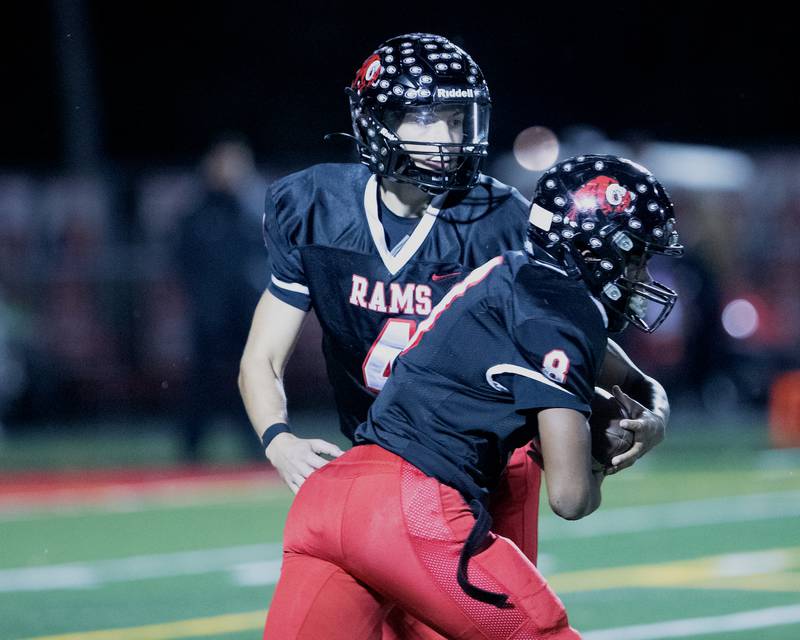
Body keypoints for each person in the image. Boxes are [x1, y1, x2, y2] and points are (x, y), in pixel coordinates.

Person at [239, 33, 669, 637]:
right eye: (427, 120)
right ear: (377, 121)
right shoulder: (315, 206)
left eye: (456, 118)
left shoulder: (500, 217)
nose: (447, 138)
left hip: (481, 466)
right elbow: (261, 357)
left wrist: (647, 396)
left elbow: (562, 338)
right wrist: (277, 438)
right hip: (384, 458)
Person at [175, 136, 264, 461]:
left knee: (252, 377)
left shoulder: (252, 211)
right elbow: (183, 260)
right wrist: (203, 299)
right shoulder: (198, 212)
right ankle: (190, 448)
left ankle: (257, 443)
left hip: (245, 313)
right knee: (202, 384)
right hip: (209, 315)